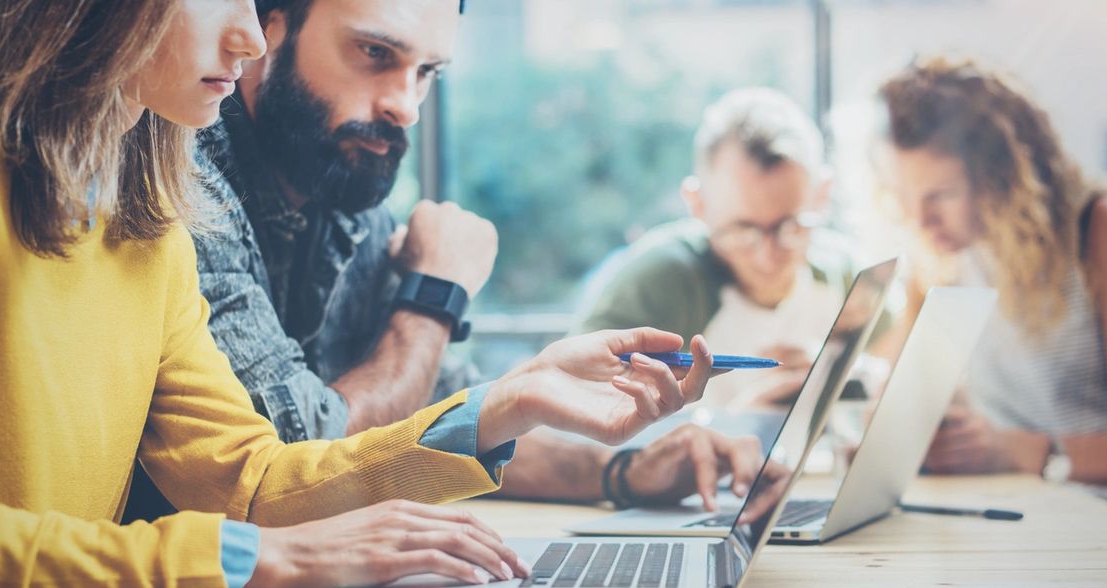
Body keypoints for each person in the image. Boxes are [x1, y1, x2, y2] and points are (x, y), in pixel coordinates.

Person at [0, 0, 716, 588]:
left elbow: (252, 480)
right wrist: (257, 560)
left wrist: (503, 405)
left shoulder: (151, 210)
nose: (248, 35)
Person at [169, 0, 763, 514]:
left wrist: (624, 473)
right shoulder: (179, 178)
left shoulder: (342, 184)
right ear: (266, 25)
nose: (407, 105)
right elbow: (292, 471)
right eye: (374, 52)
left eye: (426, 72)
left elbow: (437, 423)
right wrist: (434, 295)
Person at [876, 56, 1107, 484]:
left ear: (998, 178)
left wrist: (1025, 451)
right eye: (904, 193)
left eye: (942, 194)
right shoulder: (946, 254)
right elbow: (912, 397)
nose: (919, 219)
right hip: (1028, 508)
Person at [574, 87, 871, 411]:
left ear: (822, 195)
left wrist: (838, 372)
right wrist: (736, 425)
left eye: (791, 227)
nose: (767, 255)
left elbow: (888, 361)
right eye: (742, 231)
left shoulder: (843, 275)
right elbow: (568, 406)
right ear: (698, 204)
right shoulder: (662, 282)